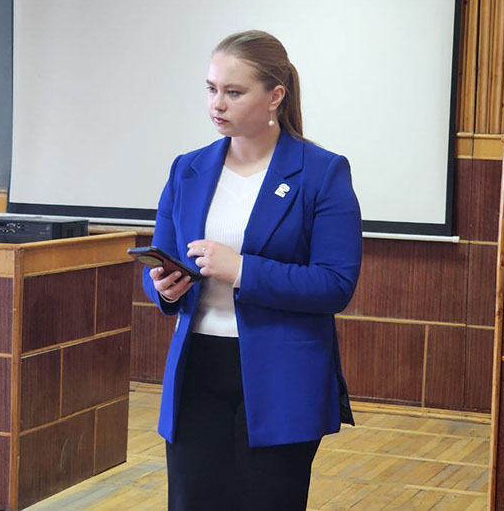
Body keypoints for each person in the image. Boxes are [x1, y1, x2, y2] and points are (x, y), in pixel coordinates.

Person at [141, 30, 362, 511]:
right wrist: (164, 287)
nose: (216, 103)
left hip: (282, 376)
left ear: (275, 96)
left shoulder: (322, 173)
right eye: (211, 88)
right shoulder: (187, 169)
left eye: (233, 92)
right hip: (197, 369)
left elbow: (335, 284)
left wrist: (242, 269)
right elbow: (163, 255)